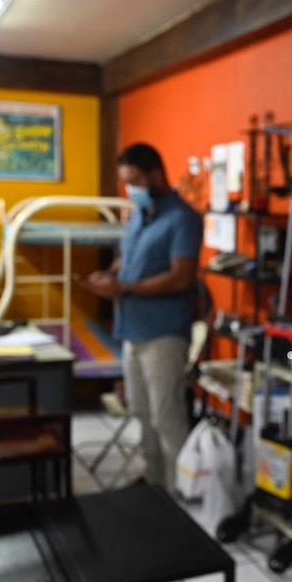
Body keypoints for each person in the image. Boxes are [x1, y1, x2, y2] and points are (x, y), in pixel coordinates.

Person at [82, 143, 200, 488]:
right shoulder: (139, 215)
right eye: (126, 182)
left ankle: (183, 495)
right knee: (143, 415)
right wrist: (109, 274)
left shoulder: (183, 219)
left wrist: (124, 289)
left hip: (164, 333)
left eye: (135, 181)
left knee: (167, 418)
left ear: (156, 175)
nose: (130, 189)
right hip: (131, 330)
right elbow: (127, 254)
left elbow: (181, 277)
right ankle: (156, 484)